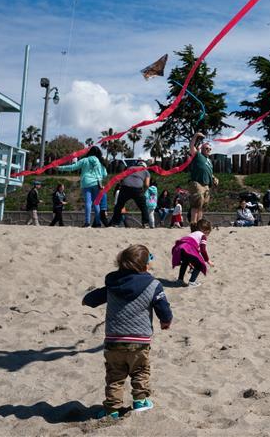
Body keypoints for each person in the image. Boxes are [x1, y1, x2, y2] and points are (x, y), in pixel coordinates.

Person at [82, 244, 173, 419]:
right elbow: (163, 308)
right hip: (139, 341)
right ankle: (140, 401)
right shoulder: (154, 285)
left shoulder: (113, 284)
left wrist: (86, 300)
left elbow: (95, 297)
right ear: (145, 266)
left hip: (113, 341)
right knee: (140, 371)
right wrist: (165, 322)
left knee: (115, 376)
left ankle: (112, 410)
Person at [58, 146, 109, 228]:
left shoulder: (85, 160)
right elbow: (105, 174)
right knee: (96, 204)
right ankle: (98, 222)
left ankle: (87, 222)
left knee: (88, 203)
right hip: (97, 183)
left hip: (86, 183)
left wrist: (59, 168)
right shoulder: (100, 162)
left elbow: (72, 167)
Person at [171, 219, 214, 287]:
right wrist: (207, 260)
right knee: (199, 264)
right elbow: (203, 250)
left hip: (180, 247)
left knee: (185, 262)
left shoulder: (193, 233)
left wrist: (191, 262)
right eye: (208, 232)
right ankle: (192, 282)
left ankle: (180, 280)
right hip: (188, 248)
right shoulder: (203, 236)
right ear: (206, 230)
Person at [110, 160, 151, 228]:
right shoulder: (146, 171)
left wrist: (122, 185)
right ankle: (145, 223)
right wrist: (143, 191)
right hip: (137, 188)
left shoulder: (130, 168)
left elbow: (122, 177)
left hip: (125, 187)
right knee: (143, 207)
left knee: (119, 205)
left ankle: (115, 223)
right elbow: (147, 184)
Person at [187, 133, 217, 224]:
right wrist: (195, 136)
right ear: (202, 149)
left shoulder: (209, 161)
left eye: (210, 149)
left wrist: (214, 178)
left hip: (206, 185)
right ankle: (193, 223)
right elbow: (191, 146)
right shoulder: (198, 156)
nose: (208, 150)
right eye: (206, 148)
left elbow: (208, 172)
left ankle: (199, 224)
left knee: (202, 206)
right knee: (196, 203)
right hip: (198, 183)